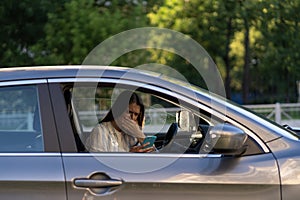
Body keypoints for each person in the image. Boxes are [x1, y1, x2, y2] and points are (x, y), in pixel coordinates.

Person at [85, 90, 155, 152]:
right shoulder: (100, 131)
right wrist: (130, 154)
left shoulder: (131, 134)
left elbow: (152, 154)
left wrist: (139, 134)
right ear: (118, 110)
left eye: (136, 114)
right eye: (129, 112)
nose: (132, 117)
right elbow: (99, 164)